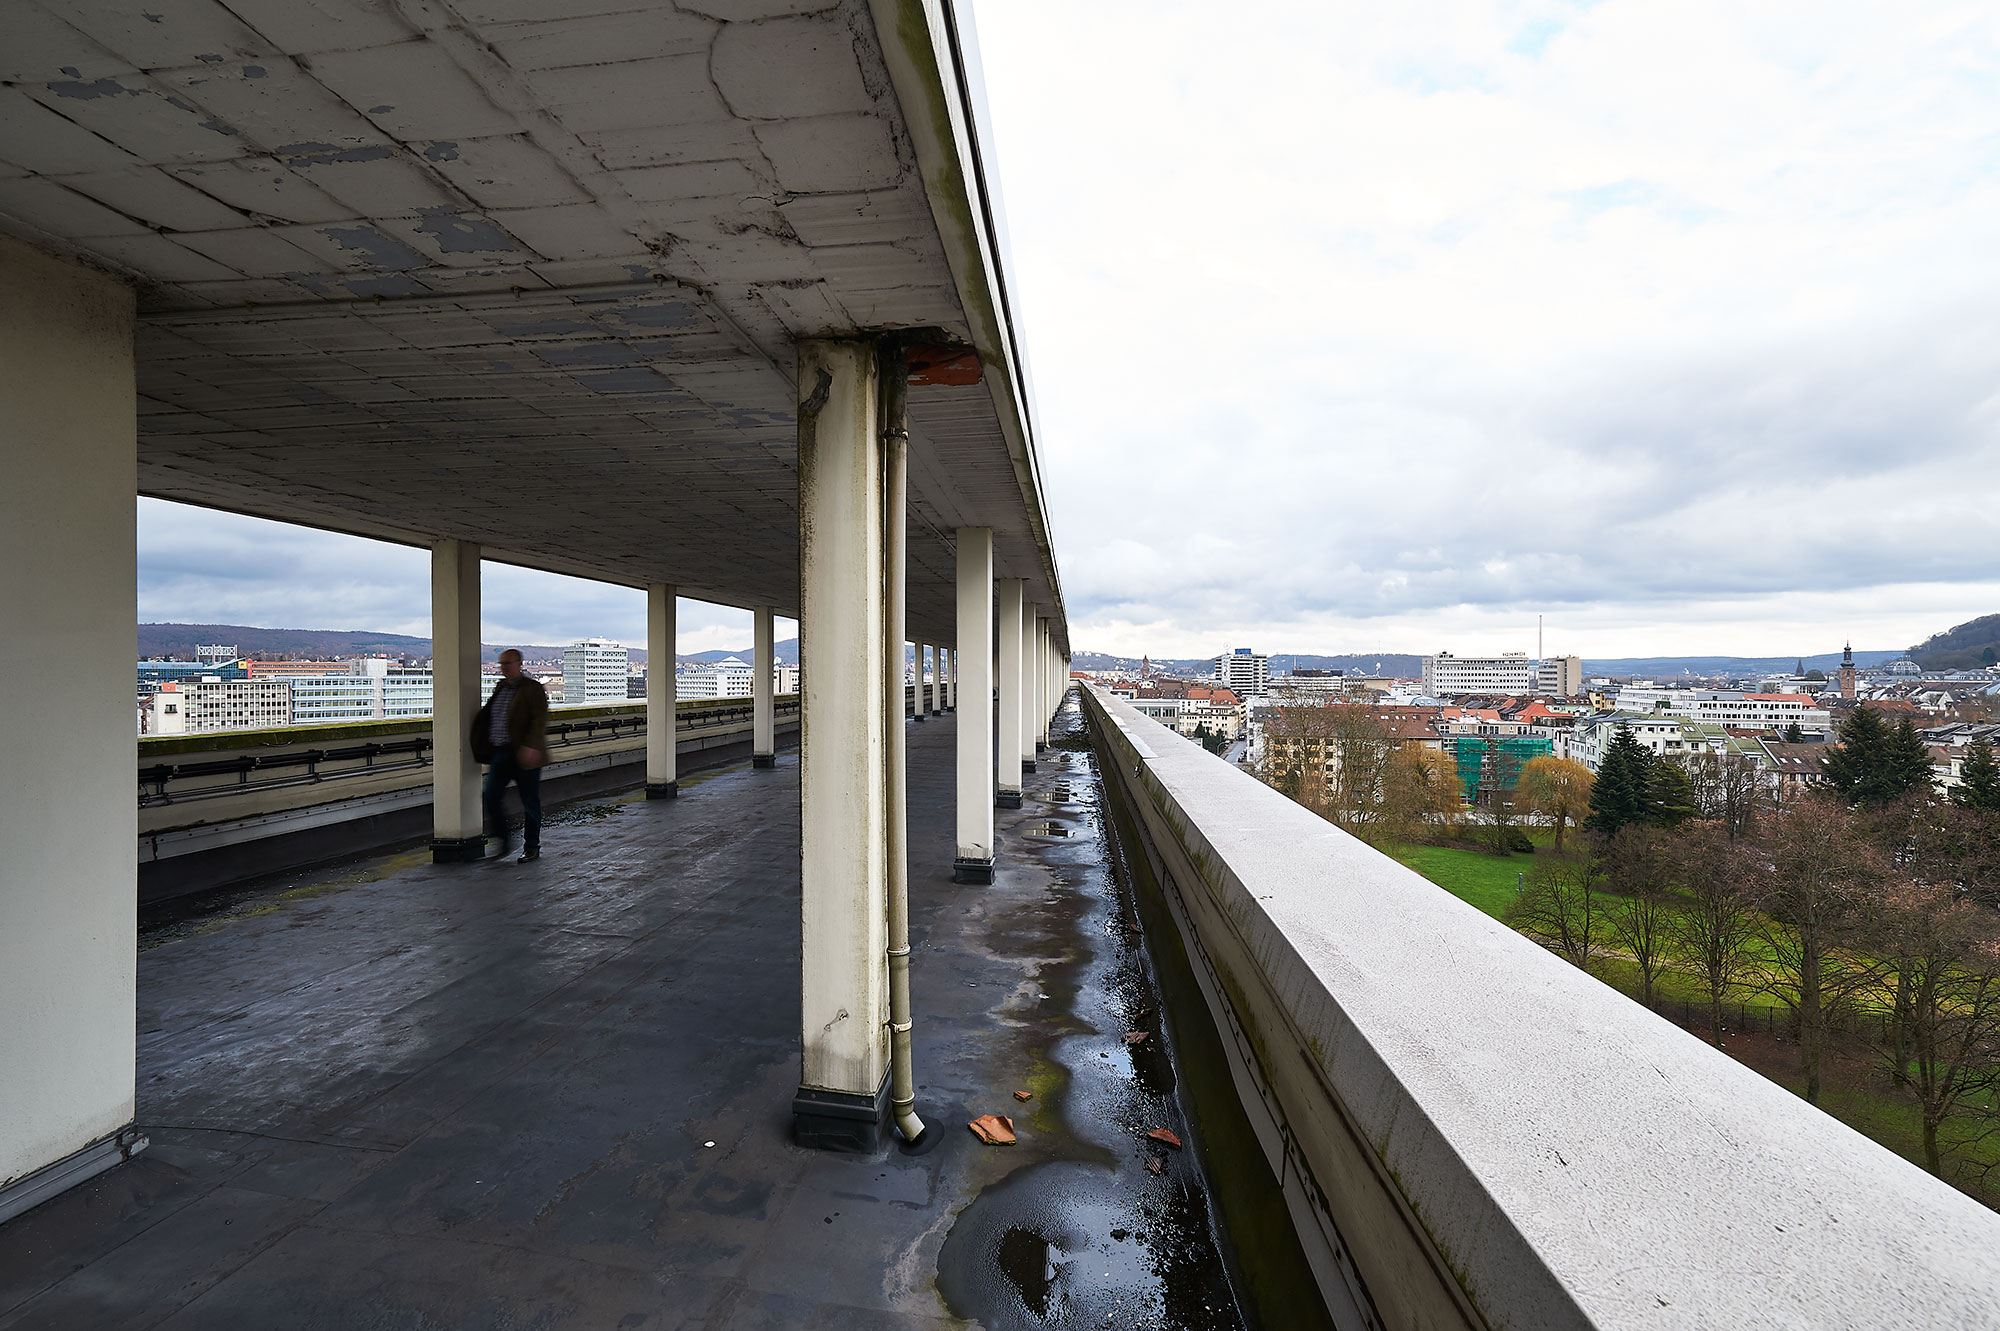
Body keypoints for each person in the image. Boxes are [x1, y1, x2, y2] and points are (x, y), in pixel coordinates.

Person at [471, 649, 549, 862]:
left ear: (519, 663)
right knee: (490, 796)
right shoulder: (500, 688)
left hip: (525, 753)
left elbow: (539, 719)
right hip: (501, 752)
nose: (504, 667)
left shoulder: (532, 688)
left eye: (507, 663)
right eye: (501, 664)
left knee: (530, 802)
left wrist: (531, 746)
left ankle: (532, 846)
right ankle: (504, 841)